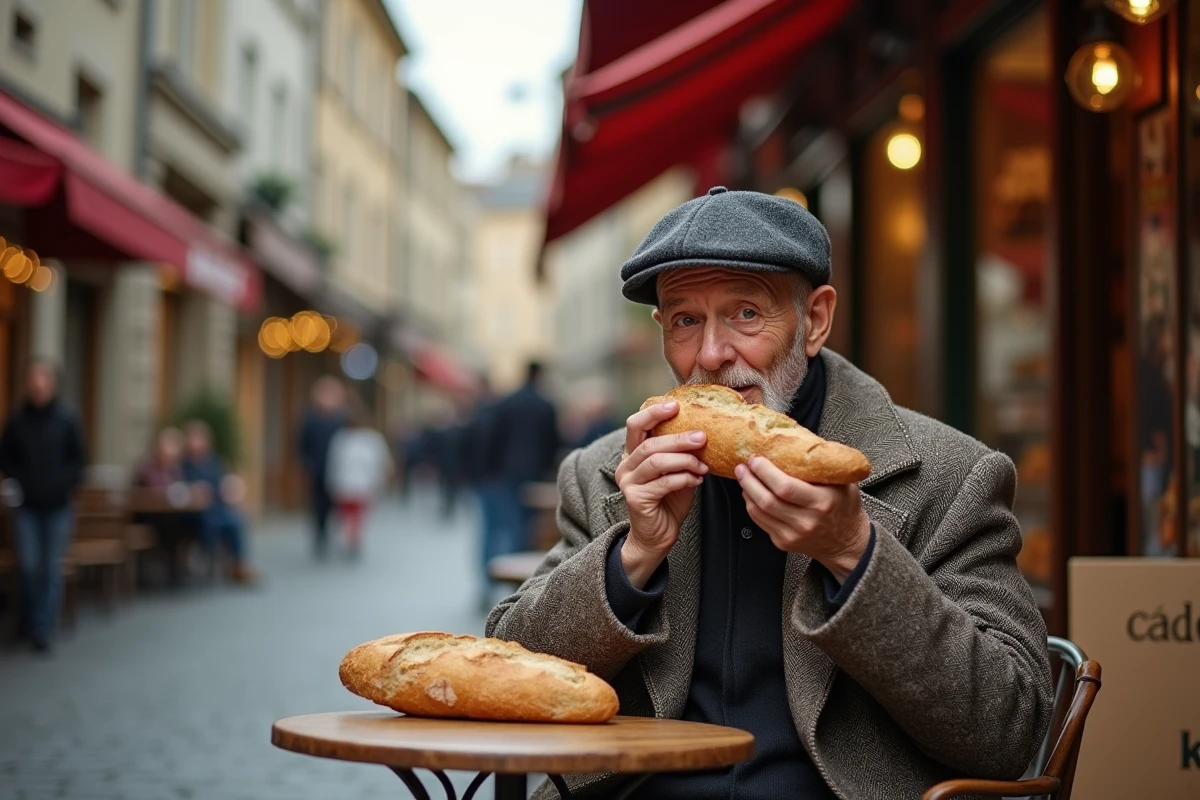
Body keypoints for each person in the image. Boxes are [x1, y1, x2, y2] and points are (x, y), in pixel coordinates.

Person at [486, 187, 1053, 799]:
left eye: (746, 314)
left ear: (813, 320)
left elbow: (1007, 734)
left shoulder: (950, 475)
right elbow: (509, 672)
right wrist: (632, 554)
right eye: (685, 320)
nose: (710, 355)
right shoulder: (602, 472)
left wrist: (853, 553)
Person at [0, 360, 87, 652]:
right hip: (27, 507)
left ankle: (42, 628)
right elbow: (6, 458)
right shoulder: (17, 420)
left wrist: (63, 484)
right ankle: (29, 619)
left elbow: (79, 462)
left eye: (43, 378)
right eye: (33, 378)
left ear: (52, 383)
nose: (38, 384)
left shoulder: (66, 419)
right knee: (27, 565)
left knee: (50, 568)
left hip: (59, 507)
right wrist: (20, 481)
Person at [481, 361, 560, 582]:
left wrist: (491, 468)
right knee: (528, 526)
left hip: (508, 471)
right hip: (535, 472)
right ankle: (526, 581)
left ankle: (500, 579)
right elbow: (552, 442)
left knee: (507, 523)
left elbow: (494, 437)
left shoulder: (508, 402)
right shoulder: (545, 404)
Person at [181, 421, 258, 585]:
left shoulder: (213, 461)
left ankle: (238, 564)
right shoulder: (183, 464)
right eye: (194, 439)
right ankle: (205, 556)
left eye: (200, 439)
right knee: (210, 521)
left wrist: (229, 489)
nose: (197, 443)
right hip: (194, 511)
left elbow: (220, 484)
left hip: (216, 505)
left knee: (236, 520)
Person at [326, 406, 393, 558]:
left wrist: (379, 480)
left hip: (363, 484)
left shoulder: (371, 439)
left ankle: (354, 540)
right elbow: (334, 462)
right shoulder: (342, 438)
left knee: (358, 515)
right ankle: (348, 540)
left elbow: (380, 461)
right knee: (346, 515)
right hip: (345, 483)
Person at [299, 376, 348, 558]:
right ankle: (320, 535)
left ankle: (341, 536)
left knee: (338, 505)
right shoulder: (310, 419)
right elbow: (302, 445)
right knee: (319, 505)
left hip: (340, 471)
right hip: (318, 470)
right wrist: (307, 464)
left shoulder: (342, 419)